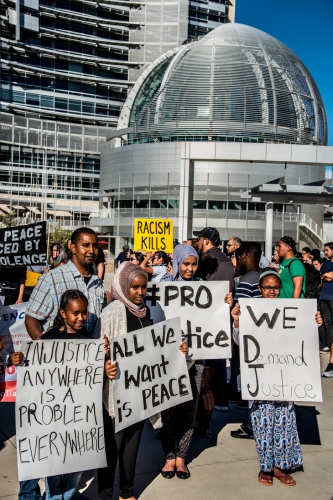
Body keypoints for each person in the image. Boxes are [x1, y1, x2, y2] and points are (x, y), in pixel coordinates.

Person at [94, 262, 185, 499]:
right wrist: (105, 365)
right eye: (134, 287)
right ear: (124, 286)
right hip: (115, 393)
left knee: (132, 445)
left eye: (143, 287)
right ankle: (104, 494)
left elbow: (154, 350)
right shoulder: (113, 311)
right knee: (112, 447)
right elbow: (98, 348)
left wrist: (177, 350)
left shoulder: (145, 312)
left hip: (138, 393)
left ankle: (127, 492)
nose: (140, 292)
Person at [230, 269, 322, 486]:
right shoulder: (249, 310)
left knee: (285, 421)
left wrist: (313, 323)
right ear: (260, 289)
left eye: (275, 287)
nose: (271, 291)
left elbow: (304, 341)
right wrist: (236, 320)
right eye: (267, 287)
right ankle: (266, 467)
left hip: (285, 377)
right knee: (262, 423)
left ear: (280, 289)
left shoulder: (293, 310)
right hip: (260, 378)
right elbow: (238, 341)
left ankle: (281, 466)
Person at [14, 290, 95, 500]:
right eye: (76, 313)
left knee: (75, 465)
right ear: (63, 313)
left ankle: (66, 496)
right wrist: (20, 360)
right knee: (55, 467)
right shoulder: (47, 339)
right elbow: (33, 371)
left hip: (77, 414)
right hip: (52, 416)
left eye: (84, 313)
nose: (81, 318)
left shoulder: (87, 338)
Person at [159, 245, 204, 478]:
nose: (190, 268)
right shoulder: (164, 285)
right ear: (177, 262)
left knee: (190, 406)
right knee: (168, 406)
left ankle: (182, 456)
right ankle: (168, 455)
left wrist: (224, 302)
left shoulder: (203, 287)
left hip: (196, 355)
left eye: (193, 264)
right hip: (169, 355)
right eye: (185, 264)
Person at [25, 227, 106, 341]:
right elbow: (31, 317)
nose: (91, 250)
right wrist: (39, 340)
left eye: (95, 246)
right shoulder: (51, 279)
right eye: (86, 245)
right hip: (58, 354)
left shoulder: (99, 284)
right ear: (73, 248)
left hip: (89, 355)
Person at [193, 228, 233, 435]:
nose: (197, 242)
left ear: (206, 241)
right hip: (220, 322)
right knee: (215, 367)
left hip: (205, 322)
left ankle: (201, 421)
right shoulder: (227, 261)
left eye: (199, 239)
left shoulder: (207, 261)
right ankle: (218, 406)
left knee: (202, 376)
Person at [229, 242, 263, 438]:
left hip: (249, 339)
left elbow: (240, 311)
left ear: (244, 257)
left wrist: (235, 334)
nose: (236, 261)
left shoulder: (247, 281)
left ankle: (252, 424)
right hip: (264, 338)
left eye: (237, 257)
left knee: (250, 381)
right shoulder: (267, 277)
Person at [319, 260, 333, 353]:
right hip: (324, 297)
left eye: (327, 250)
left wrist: (325, 275)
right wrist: (326, 275)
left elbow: (329, 277)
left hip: (331, 296)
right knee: (327, 322)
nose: (325, 252)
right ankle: (329, 344)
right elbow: (322, 276)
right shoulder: (325, 263)